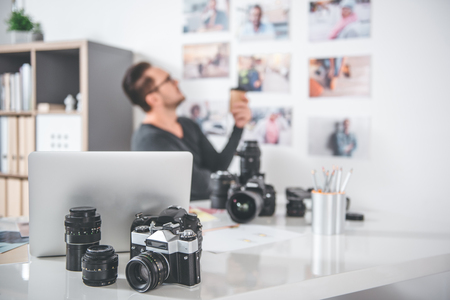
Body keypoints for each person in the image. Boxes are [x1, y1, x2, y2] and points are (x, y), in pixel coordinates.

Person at [122, 62, 251, 200]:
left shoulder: (187, 124)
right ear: (153, 99)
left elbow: (218, 166)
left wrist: (238, 127)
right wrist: (224, 180)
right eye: (168, 80)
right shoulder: (148, 141)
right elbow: (199, 185)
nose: (176, 82)